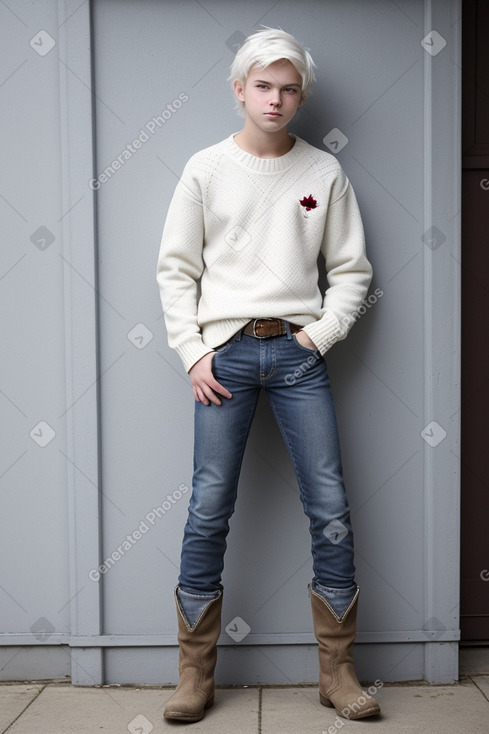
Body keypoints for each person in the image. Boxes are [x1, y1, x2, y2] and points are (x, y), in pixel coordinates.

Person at [156, 27, 380, 723]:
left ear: (300, 95)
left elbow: (351, 273)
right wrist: (192, 352)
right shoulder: (203, 169)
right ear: (238, 90)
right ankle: (194, 676)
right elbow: (176, 269)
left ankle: (337, 673)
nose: (275, 99)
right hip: (222, 356)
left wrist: (318, 336)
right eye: (262, 86)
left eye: (288, 88)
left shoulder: (322, 173)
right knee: (208, 507)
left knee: (329, 506)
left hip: (295, 357)